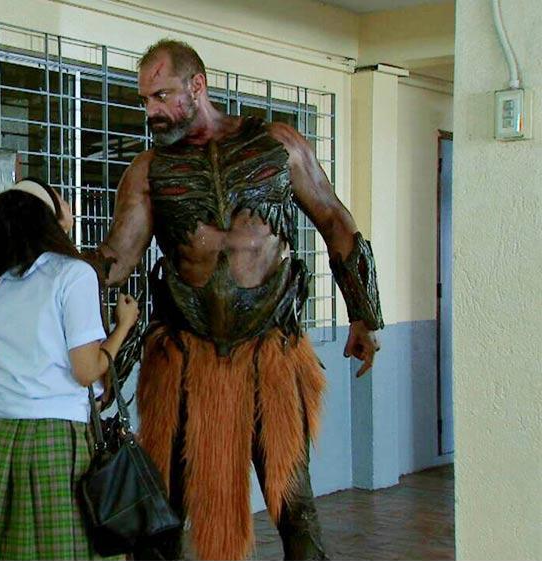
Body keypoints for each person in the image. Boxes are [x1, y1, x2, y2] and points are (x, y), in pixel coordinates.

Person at [84, 40, 385, 560]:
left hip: (270, 354)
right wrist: (51, 259)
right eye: (145, 100)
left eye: (161, 95)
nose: (151, 111)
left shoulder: (278, 146)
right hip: (184, 358)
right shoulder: (149, 171)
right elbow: (117, 259)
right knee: (162, 513)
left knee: (294, 508)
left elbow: (335, 220)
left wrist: (364, 315)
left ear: (197, 86)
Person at [0, 179, 139, 560]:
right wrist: (123, 326)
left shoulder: (0, 285)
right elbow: (86, 371)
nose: (67, 204)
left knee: (7, 551)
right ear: (47, 218)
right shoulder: (74, 274)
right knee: (64, 550)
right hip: (56, 436)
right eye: (59, 200)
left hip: (1, 435)